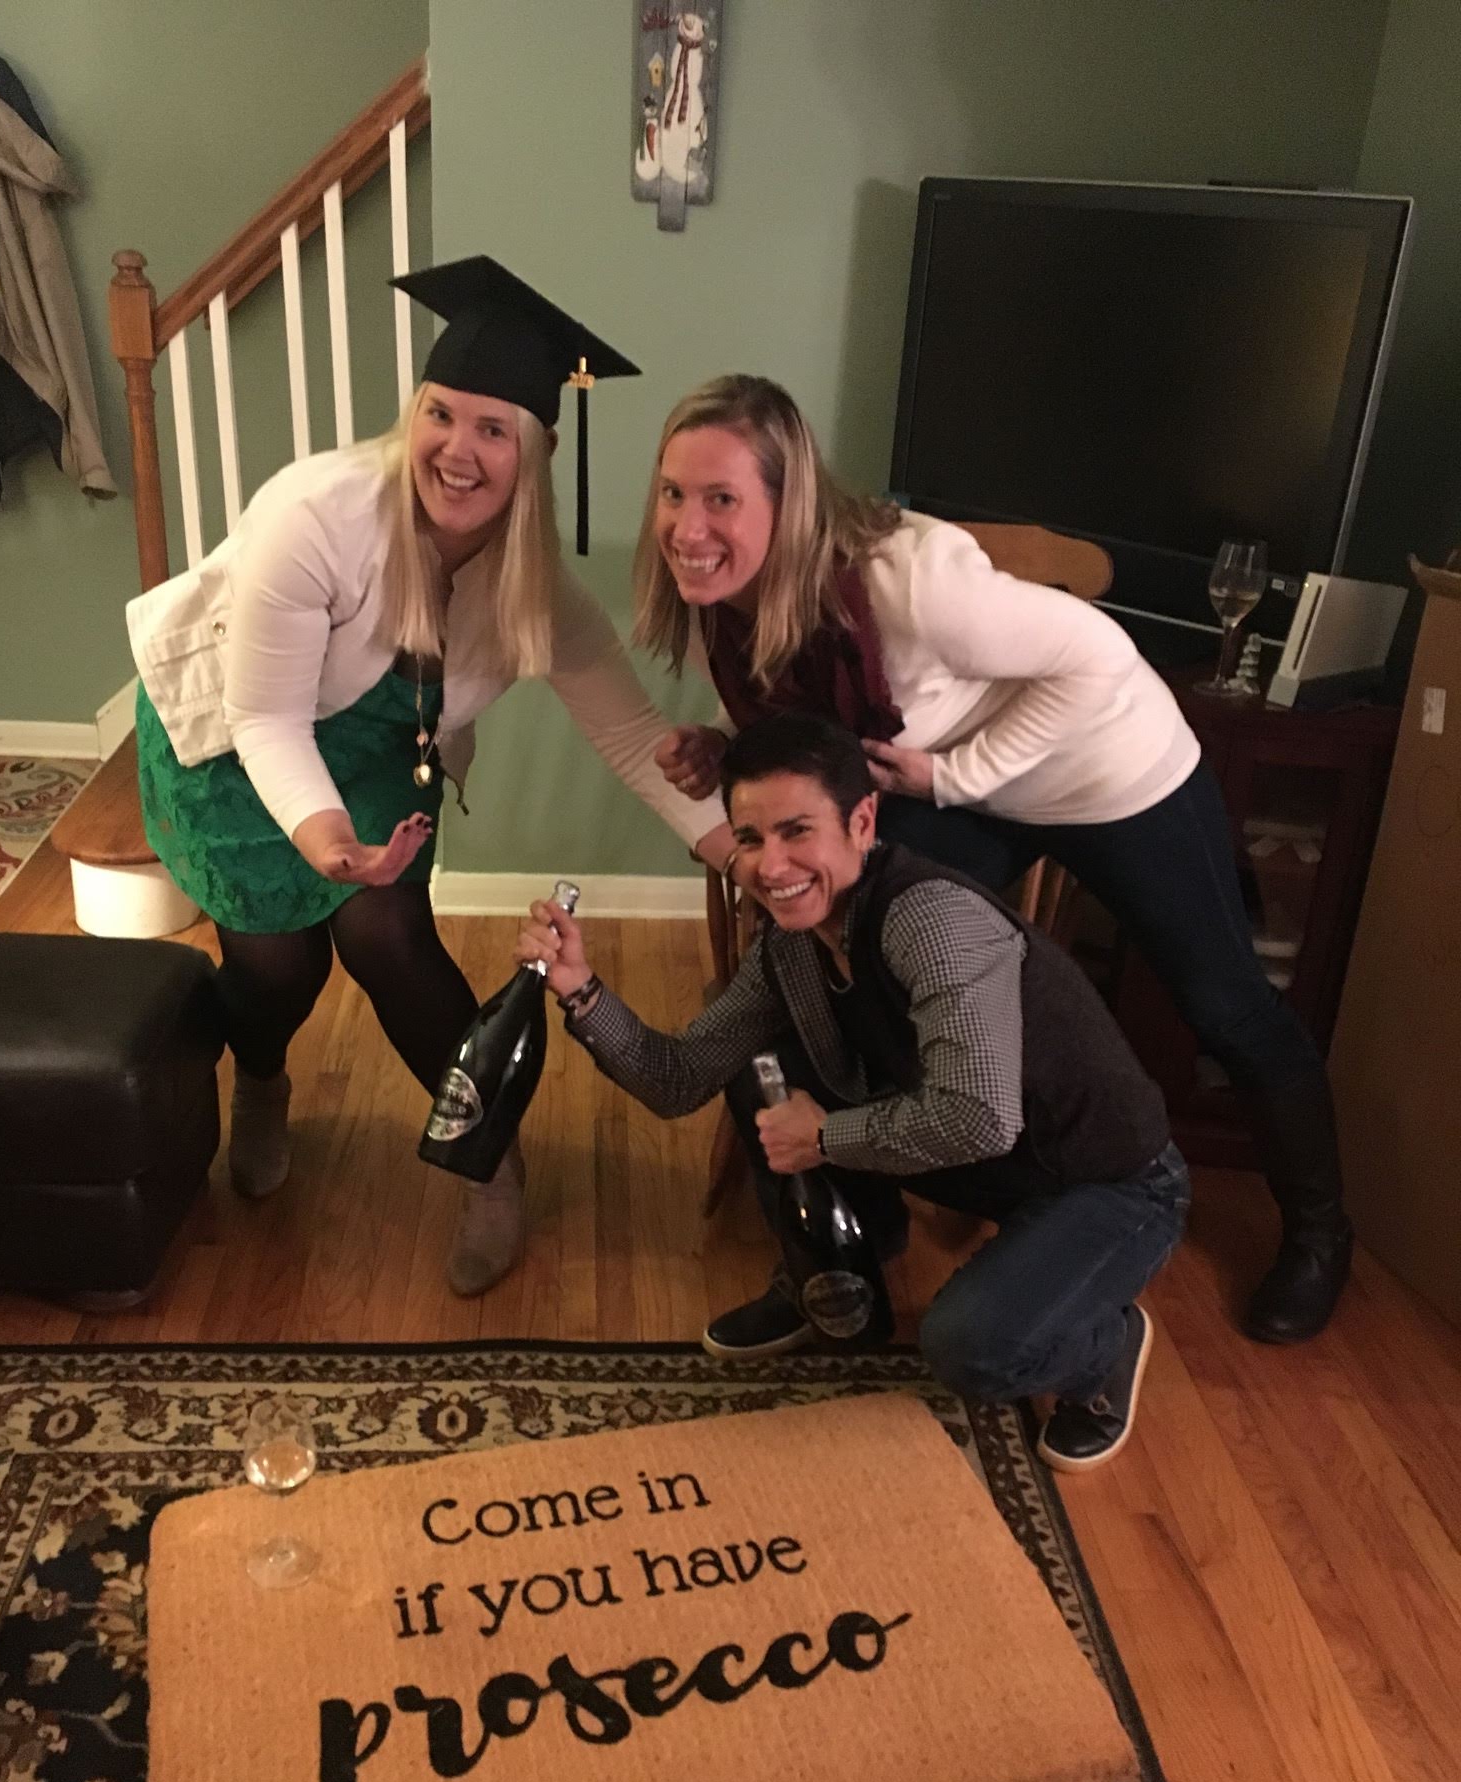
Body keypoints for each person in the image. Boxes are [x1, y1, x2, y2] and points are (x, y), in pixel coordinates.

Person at [637, 373, 1350, 1344]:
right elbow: (816, 722)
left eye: (720, 497)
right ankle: (860, 1228)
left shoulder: (911, 580)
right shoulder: (727, 599)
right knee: (831, 944)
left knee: (1226, 1005)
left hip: (1109, 771)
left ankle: (1319, 1233)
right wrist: (724, 746)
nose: (687, 526)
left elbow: (1100, 660)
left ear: (788, 502)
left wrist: (957, 775)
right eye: (674, 493)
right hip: (960, 785)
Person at [128, 258, 733, 1299]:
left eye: (494, 428)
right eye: (440, 414)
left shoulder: (537, 593)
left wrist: (736, 851)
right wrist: (325, 838)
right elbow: (266, 717)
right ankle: (262, 1081)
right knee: (278, 969)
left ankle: (488, 1157)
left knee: (389, 938)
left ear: (537, 451)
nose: (458, 449)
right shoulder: (316, 515)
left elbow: (636, 738)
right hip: (237, 738)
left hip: (378, 750)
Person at [518, 714, 1190, 1472]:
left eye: (797, 831)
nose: (771, 866)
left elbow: (977, 1117)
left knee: (969, 1346)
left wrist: (823, 1137)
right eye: (750, 838)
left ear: (862, 822)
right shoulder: (790, 942)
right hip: (982, 1160)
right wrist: (580, 990)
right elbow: (678, 1080)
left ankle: (1104, 1345)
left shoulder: (930, 921)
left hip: (1107, 1179)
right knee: (760, 1066)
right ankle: (831, 1276)